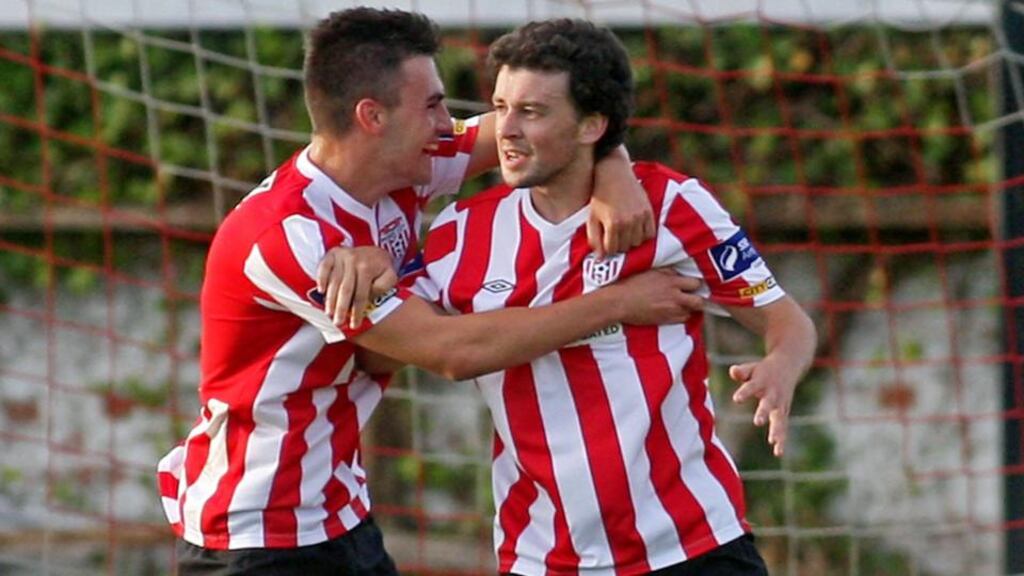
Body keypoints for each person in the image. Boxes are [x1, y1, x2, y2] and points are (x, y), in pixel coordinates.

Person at [156, 8, 703, 576]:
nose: (450, 123)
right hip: (254, 530)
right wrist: (619, 303)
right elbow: (451, 352)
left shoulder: (413, 164)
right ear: (372, 116)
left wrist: (615, 167)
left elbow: (562, 127)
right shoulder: (288, 235)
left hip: (337, 512)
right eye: (433, 105)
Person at [400, 19, 818, 576]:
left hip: (693, 544)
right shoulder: (458, 235)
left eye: (533, 111)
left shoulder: (672, 206)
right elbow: (420, 346)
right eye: (501, 106)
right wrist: (373, 259)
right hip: (542, 557)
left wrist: (782, 366)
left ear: (592, 125)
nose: (505, 129)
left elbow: (787, 322)